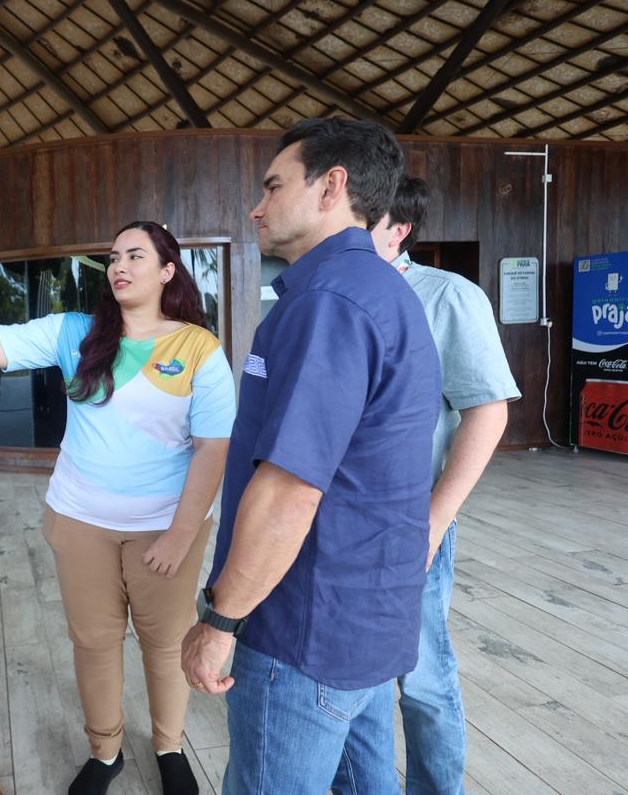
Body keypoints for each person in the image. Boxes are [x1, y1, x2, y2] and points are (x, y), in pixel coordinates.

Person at [0, 222, 235, 795]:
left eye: (136, 255)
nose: (120, 265)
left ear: (168, 271)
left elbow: (212, 449)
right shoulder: (77, 332)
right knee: (94, 642)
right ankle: (105, 754)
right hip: (79, 522)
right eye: (113, 257)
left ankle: (170, 745)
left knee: (164, 642)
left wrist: (179, 536)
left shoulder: (198, 348)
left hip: (164, 529)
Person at [180, 117, 441, 794]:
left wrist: (220, 619)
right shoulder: (388, 293)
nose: (256, 206)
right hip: (369, 626)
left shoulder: (328, 303)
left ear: (333, 185)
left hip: (301, 629)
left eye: (272, 186)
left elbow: (292, 488)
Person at [340, 175, 519, 795]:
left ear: (399, 230)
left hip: (410, 520)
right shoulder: (333, 293)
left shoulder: (447, 297)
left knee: (422, 678)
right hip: (335, 520)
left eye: (362, 223)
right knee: (348, 672)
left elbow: (488, 411)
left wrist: (433, 523)